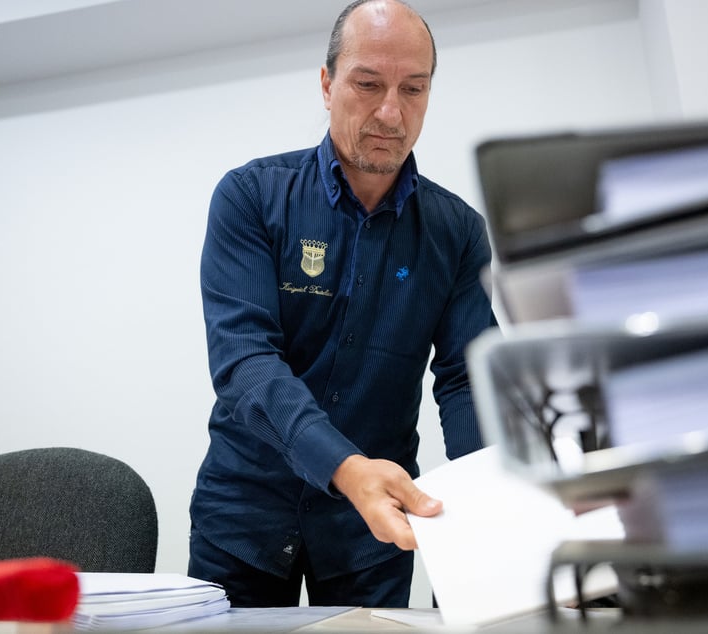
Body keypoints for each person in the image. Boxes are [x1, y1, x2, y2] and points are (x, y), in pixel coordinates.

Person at [187, 0, 497, 609]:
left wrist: (493, 503)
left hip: (371, 536)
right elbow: (247, 364)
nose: (391, 111)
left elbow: (467, 380)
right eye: (368, 84)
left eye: (413, 89)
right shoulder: (251, 198)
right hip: (244, 517)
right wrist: (346, 467)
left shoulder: (457, 232)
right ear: (327, 84)